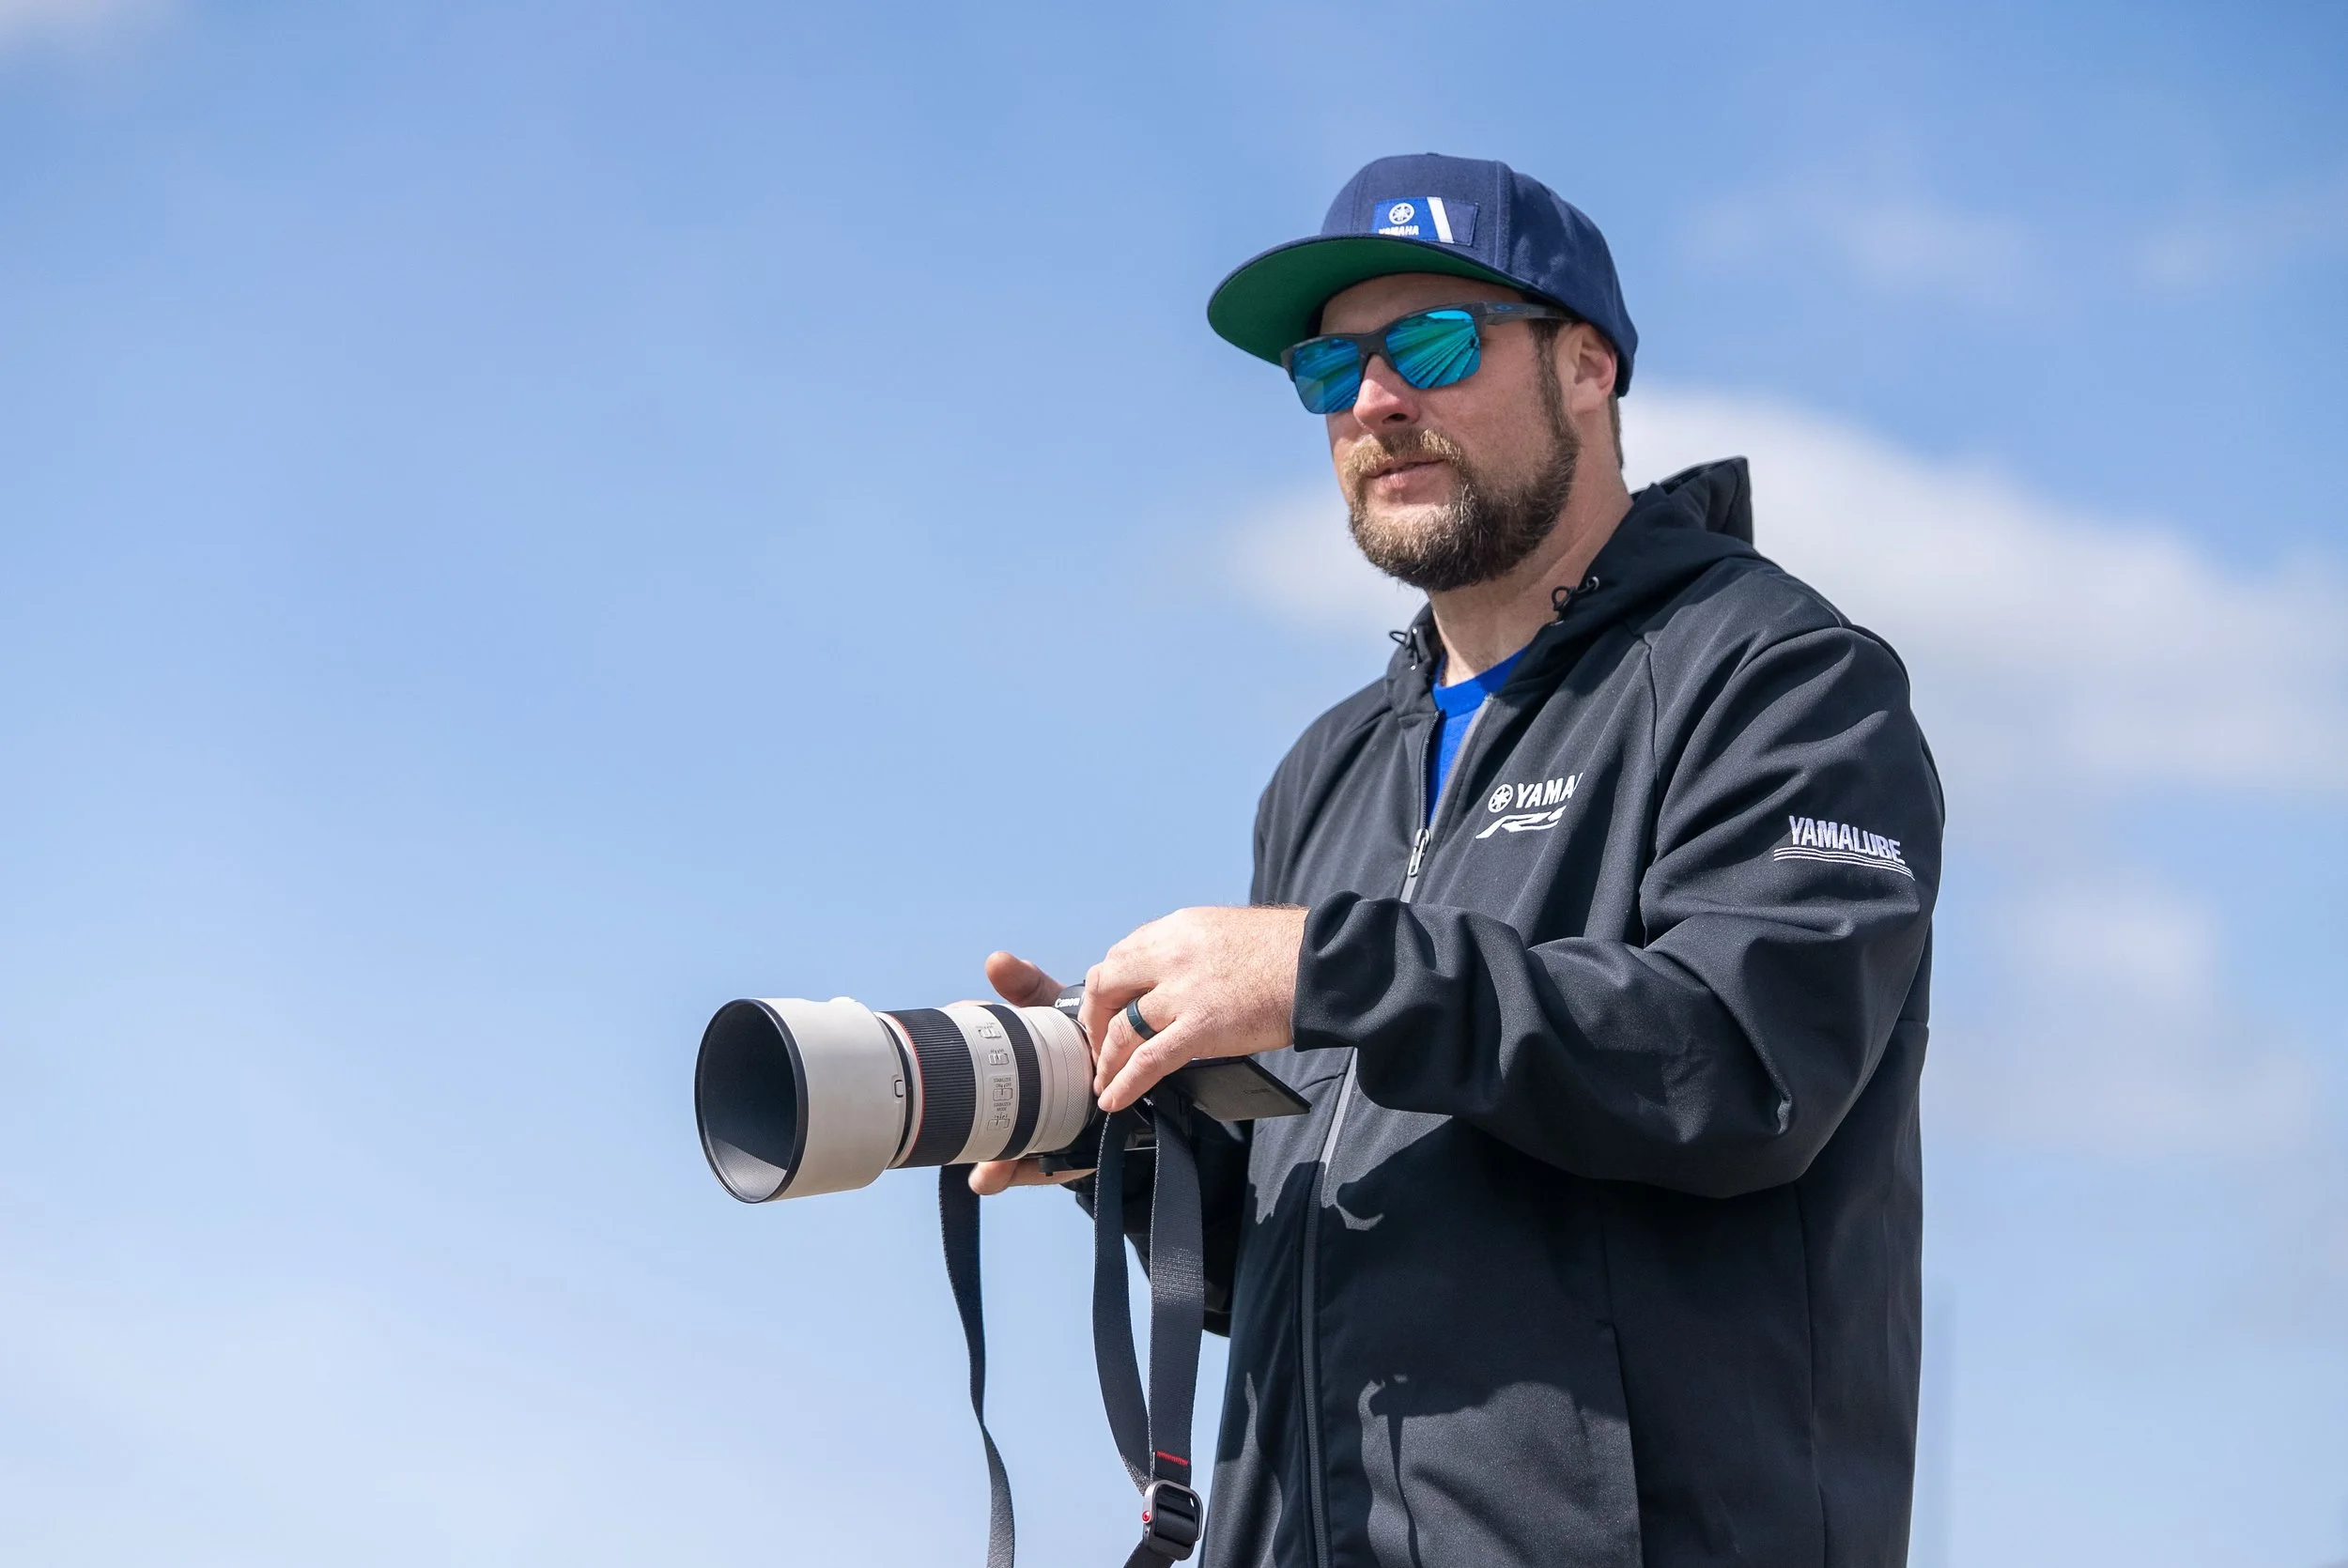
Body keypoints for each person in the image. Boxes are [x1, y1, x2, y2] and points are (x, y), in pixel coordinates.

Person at [972, 153, 1942, 1568]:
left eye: (1432, 342)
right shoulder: (1326, 772)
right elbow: (1321, 1261)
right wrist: (1119, 1145)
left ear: (1587, 367)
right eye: (1330, 372)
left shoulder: (1784, 678)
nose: (1376, 402)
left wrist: (1332, 968)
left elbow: (1741, 1065)